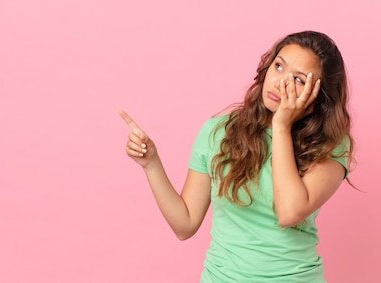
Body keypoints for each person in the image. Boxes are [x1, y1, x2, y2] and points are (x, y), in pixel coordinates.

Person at [120, 30, 354, 282]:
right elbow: (185, 225)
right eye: (278, 66)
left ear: (318, 96)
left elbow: (290, 211)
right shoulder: (218, 131)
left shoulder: (332, 145)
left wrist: (281, 126)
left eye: (298, 80)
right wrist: (151, 164)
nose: (280, 83)